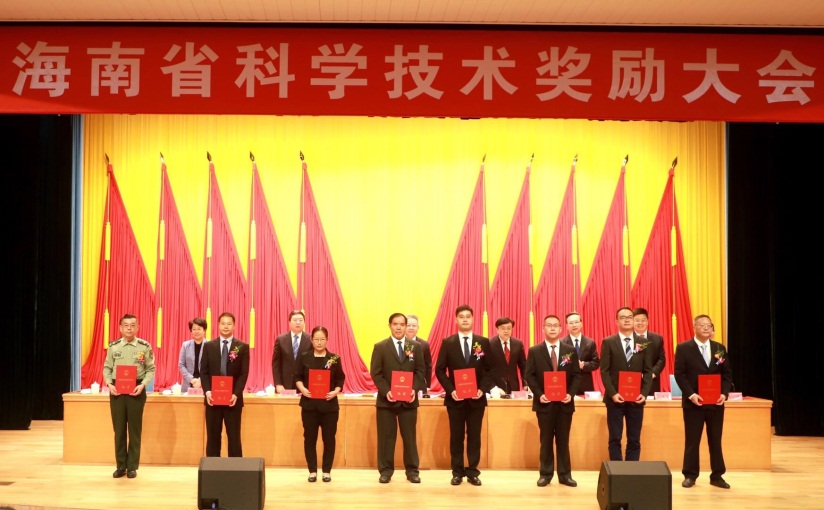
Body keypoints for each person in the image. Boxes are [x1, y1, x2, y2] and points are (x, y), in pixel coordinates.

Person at [435, 305, 494, 486]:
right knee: (456, 437)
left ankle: (473, 472)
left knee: (474, 436)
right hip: (455, 399)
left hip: (476, 399)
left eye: (468, 316)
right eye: (462, 316)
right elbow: (439, 370)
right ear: (456, 320)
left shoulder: (483, 342)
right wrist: (451, 390)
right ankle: (457, 472)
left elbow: (490, 369)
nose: (465, 319)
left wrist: (482, 389)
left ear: (473, 319)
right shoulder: (448, 342)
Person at [674, 314, 733, 489]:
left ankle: (717, 475)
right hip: (694, 403)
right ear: (694, 327)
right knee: (692, 440)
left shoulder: (719, 348)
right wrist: (691, 394)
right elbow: (679, 374)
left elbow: (727, 374)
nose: (706, 328)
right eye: (702, 325)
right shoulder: (684, 348)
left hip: (715, 403)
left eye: (709, 325)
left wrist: (724, 393)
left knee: (715, 440)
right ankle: (690, 475)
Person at [524, 315, 581, 487]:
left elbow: (576, 375)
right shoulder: (535, 351)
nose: (553, 328)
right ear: (543, 329)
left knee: (563, 440)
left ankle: (565, 475)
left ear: (561, 328)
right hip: (544, 403)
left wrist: (570, 394)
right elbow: (529, 375)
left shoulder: (570, 350)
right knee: (546, 440)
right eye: (549, 325)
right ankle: (546, 474)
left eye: (556, 325)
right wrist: (539, 394)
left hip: (564, 403)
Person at [370, 313, 426, 484]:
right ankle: (385, 471)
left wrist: (414, 389)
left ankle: (412, 471)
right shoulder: (380, 347)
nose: (399, 327)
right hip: (386, 401)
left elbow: (420, 371)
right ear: (390, 326)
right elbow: (376, 373)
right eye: (395, 324)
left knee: (409, 437)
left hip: (408, 400)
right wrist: (386, 391)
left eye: (402, 324)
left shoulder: (415, 346)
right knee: (386, 437)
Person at [102, 314, 156, 479]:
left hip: (136, 390)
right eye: (126, 325)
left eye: (133, 325)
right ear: (120, 328)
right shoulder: (114, 346)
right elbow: (107, 368)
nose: (129, 328)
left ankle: (132, 466)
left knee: (134, 430)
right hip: (117, 391)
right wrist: (109, 384)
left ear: (137, 327)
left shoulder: (144, 346)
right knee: (118, 430)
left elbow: (150, 369)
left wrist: (143, 385)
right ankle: (121, 465)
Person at [600, 307, 653, 461]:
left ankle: (632, 470)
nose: (627, 320)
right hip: (615, 399)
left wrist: (644, 393)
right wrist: (613, 393)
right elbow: (604, 371)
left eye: (630, 317)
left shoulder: (644, 343)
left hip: (636, 399)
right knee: (615, 438)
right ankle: (617, 471)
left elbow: (648, 371)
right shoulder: (609, 342)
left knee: (634, 439)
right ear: (616, 321)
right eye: (623, 317)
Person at [295, 326, 345, 483]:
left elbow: (340, 379)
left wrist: (335, 391)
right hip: (309, 405)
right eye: (316, 339)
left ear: (327, 340)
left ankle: (326, 471)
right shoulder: (304, 357)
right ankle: (312, 470)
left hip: (329, 406)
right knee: (310, 438)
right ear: (311, 340)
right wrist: (303, 389)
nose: (319, 342)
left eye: (322, 339)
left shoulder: (334, 358)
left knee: (329, 439)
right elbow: (297, 377)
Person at [200, 312, 250, 457]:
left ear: (234, 326)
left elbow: (244, 374)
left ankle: (235, 468)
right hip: (212, 399)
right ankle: (212, 467)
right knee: (213, 436)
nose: (226, 326)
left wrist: (236, 393)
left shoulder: (242, 347)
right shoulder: (209, 346)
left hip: (233, 399)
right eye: (223, 323)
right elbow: (204, 372)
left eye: (229, 324)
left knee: (234, 437)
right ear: (218, 325)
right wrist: (208, 391)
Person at [272, 310, 312, 393]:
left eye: (300, 320)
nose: (298, 322)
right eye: (295, 320)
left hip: (305, 385)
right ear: (289, 322)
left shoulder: (311, 339)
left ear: (304, 322)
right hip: (285, 384)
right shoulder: (281, 339)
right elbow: (276, 364)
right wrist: (278, 384)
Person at [561, 312, 599, 394]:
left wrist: (583, 365)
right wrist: (570, 363)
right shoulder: (561, 343)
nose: (574, 325)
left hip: (585, 384)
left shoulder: (590, 342)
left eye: (576, 322)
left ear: (581, 324)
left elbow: (596, 363)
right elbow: (559, 364)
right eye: (571, 323)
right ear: (567, 326)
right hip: (567, 384)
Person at [632, 307, 666, 395]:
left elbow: (661, 359)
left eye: (643, 320)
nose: (640, 323)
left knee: (651, 403)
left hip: (652, 380)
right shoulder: (628, 339)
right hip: (632, 380)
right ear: (632, 322)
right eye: (637, 320)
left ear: (647, 321)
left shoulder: (657, 338)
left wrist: (652, 373)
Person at [488, 317, 527, 394]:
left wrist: (525, 384)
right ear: (497, 329)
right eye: (503, 328)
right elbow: (486, 368)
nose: (506, 331)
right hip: (496, 387)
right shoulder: (489, 344)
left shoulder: (518, 344)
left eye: (509, 328)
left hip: (514, 386)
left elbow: (523, 366)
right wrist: (492, 387)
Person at [178, 317, 208, 391]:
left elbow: (212, 366)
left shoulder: (210, 345)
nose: (196, 331)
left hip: (205, 384)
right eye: (194, 329)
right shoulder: (185, 345)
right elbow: (181, 365)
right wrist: (191, 379)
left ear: (204, 330)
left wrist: (200, 380)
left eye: (199, 329)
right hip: (188, 384)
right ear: (191, 330)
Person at [405, 314, 432, 393]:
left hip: (419, 383)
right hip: (401, 382)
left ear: (418, 328)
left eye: (414, 325)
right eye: (408, 325)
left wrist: (427, 386)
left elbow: (428, 366)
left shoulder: (424, 344)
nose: (411, 328)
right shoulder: (398, 343)